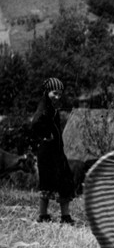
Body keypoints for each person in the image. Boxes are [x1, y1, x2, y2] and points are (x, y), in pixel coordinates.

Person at [31, 77, 75, 224]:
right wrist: (46, 135)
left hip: (53, 151)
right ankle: (59, 216)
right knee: (58, 181)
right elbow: (35, 123)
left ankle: (50, 216)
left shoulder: (49, 106)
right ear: (47, 91)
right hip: (49, 152)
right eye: (54, 93)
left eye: (59, 93)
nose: (57, 96)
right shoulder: (45, 108)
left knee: (54, 181)